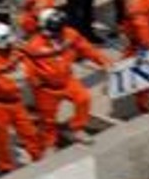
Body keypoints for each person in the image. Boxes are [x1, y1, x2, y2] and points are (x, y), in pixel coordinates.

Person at [23, 8, 106, 151]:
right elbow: (27, 66)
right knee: (48, 120)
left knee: (83, 99)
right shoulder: (33, 46)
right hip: (46, 89)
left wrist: (103, 62)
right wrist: (34, 81)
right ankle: (49, 144)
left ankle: (76, 129)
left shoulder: (70, 34)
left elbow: (87, 49)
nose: (58, 34)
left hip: (68, 81)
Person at [0, 21, 43, 176]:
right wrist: (19, 76)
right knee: (1, 139)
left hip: (16, 103)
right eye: (8, 41)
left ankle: (39, 160)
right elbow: (7, 86)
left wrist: (18, 76)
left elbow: (28, 71)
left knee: (29, 133)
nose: (12, 44)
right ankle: (4, 168)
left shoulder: (15, 53)